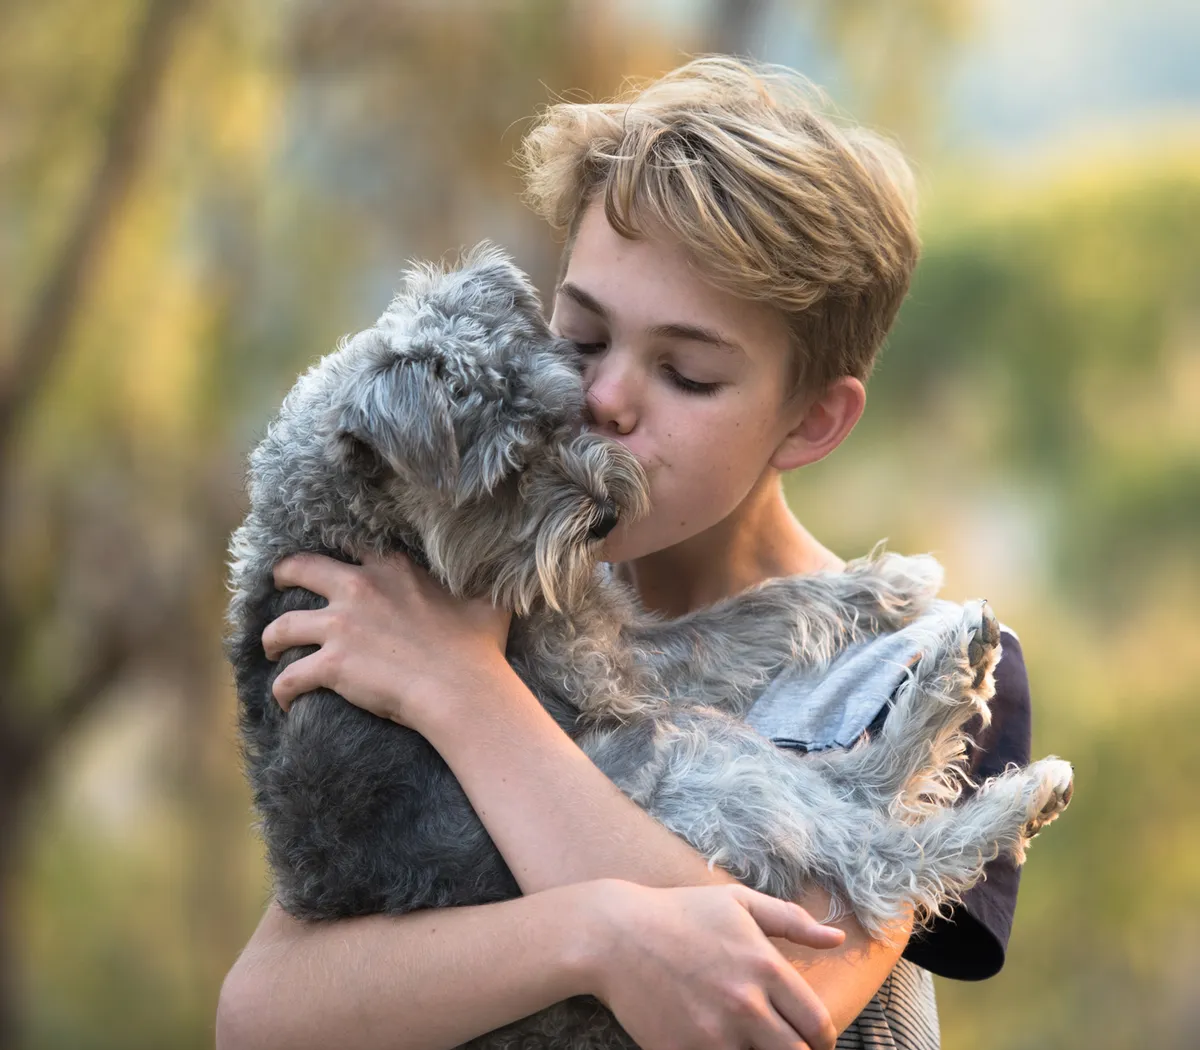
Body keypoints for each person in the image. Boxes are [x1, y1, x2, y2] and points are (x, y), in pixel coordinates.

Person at [216, 56, 1032, 1050]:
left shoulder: (918, 667)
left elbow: (775, 1004)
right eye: (583, 336)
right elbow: (262, 1013)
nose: (604, 400)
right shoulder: (478, 600)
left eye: (686, 374)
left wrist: (471, 697)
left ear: (812, 421)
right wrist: (591, 935)